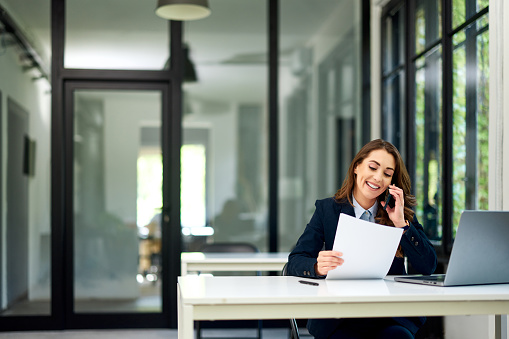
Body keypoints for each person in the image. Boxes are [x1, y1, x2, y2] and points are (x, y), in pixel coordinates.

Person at [286, 139, 437, 339]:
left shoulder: (400, 215)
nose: (377, 177)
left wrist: (401, 224)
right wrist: (317, 266)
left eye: (387, 173)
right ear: (357, 167)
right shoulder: (327, 210)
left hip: (388, 317)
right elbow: (296, 260)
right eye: (372, 167)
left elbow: (428, 266)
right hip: (339, 319)